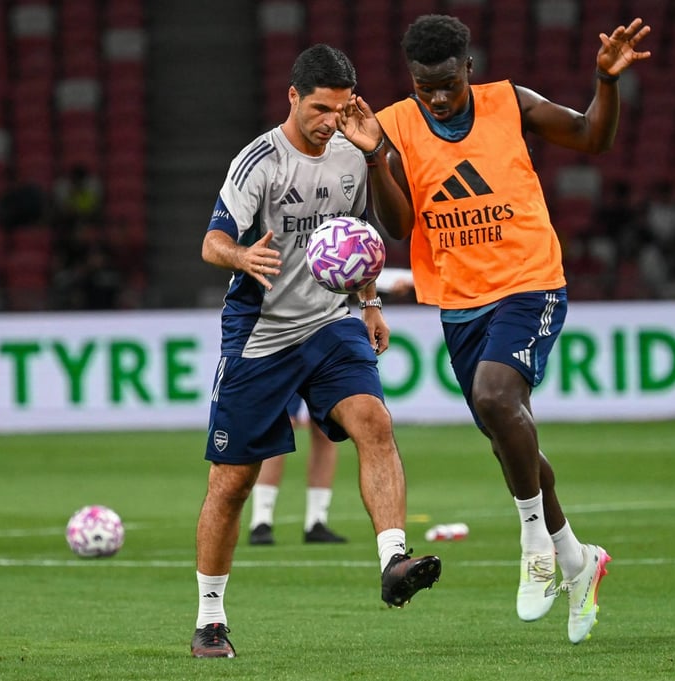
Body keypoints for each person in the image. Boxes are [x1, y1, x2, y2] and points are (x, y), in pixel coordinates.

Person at [336, 14, 651, 643]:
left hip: (530, 281)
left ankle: (534, 542)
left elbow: (593, 137)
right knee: (511, 435)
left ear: (469, 69)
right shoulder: (393, 124)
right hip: (458, 301)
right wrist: (376, 157)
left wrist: (604, 81)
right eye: (427, 87)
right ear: (413, 80)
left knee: (494, 398)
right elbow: (398, 228)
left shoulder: (512, 102)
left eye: (449, 83)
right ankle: (577, 561)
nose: (440, 97)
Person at [190, 44, 441, 659]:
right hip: (262, 333)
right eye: (320, 108)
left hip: (331, 324)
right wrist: (242, 256)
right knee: (232, 483)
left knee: (373, 421)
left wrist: (372, 302)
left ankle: (393, 562)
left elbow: (368, 241)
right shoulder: (259, 162)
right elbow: (212, 241)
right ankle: (210, 617)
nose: (330, 120)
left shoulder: (354, 157)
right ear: (293, 98)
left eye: (341, 108)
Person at [248, 394, 348, 545]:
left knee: (326, 430)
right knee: (281, 425)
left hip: (322, 369)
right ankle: (261, 521)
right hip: (286, 369)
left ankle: (317, 521)